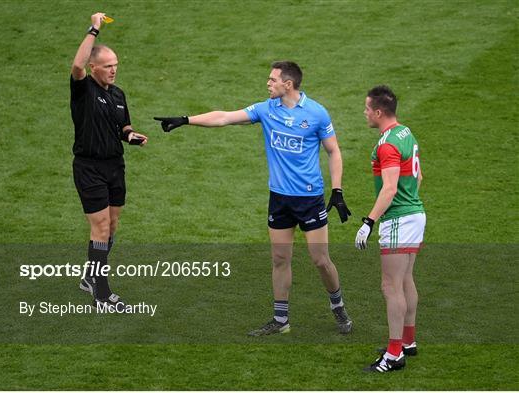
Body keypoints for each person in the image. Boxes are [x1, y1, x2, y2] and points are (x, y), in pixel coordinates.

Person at [154, 61, 353, 335]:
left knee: (320, 260)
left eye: (272, 80)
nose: (268, 84)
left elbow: (334, 152)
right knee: (279, 259)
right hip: (280, 199)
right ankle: (281, 320)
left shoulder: (317, 113)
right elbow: (224, 117)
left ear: (288, 84)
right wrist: (186, 120)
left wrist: (338, 190)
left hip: (309, 200)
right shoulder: (266, 110)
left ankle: (337, 304)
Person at [70, 12, 148, 311]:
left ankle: (90, 276)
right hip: (89, 168)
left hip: (115, 167)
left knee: (112, 225)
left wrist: (131, 136)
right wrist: (94, 29)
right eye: (108, 66)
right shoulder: (82, 90)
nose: (114, 71)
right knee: (100, 227)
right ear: (94, 68)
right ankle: (101, 294)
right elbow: (76, 65)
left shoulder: (118, 94)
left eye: (116, 66)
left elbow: (123, 127)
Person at [355, 85, 426, 372]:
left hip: (398, 219)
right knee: (406, 279)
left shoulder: (387, 144)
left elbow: (389, 188)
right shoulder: (405, 132)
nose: (364, 112)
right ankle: (407, 342)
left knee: (390, 286)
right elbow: (419, 176)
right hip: (415, 214)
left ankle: (394, 354)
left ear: (379, 112)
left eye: (367, 108)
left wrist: (368, 222)